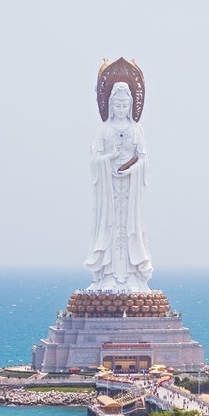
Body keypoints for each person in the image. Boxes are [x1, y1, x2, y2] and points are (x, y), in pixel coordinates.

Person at [85, 81, 154, 292]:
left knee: (130, 228)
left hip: (130, 188)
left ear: (131, 106)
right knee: (110, 227)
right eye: (118, 105)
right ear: (110, 105)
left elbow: (144, 160)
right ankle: (107, 275)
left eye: (125, 106)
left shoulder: (136, 129)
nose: (121, 110)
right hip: (109, 188)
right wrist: (111, 158)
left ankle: (133, 276)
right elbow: (94, 160)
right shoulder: (104, 129)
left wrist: (132, 170)